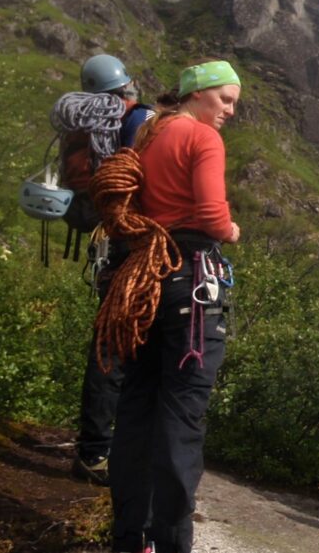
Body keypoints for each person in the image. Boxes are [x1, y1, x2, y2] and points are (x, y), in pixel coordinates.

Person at [95, 60, 242, 553]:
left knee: (136, 409)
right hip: (191, 285)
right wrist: (230, 230)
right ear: (197, 95)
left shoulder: (149, 135)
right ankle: (171, 543)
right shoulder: (202, 139)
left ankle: (129, 538)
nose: (229, 111)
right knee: (180, 418)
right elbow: (211, 214)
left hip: (143, 280)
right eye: (225, 99)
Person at [70, 53, 155, 485]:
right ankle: (98, 453)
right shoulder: (140, 121)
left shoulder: (86, 126)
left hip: (107, 244)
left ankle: (96, 447)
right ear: (128, 88)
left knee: (110, 347)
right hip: (136, 246)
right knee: (123, 351)